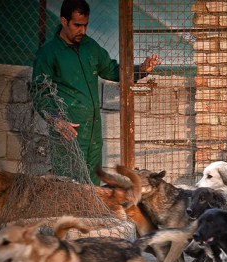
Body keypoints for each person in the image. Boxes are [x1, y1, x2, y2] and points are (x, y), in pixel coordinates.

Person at [31, 0, 160, 185]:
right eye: (77, 25)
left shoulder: (90, 47)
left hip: (93, 133)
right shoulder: (48, 53)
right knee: (69, 186)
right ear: (64, 21)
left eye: (85, 25)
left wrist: (142, 70)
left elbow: (113, 70)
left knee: (92, 185)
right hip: (69, 133)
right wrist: (56, 120)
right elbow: (39, 92)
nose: (82, 31)